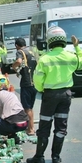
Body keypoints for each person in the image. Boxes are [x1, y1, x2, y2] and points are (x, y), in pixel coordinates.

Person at [27, 27, 82, 163]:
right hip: (66, 95)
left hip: (50, 95)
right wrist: (76, 46)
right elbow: (80, 63)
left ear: (50, 41)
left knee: (45, 126)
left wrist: (42, 90)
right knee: (61, 127)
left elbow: (38, 79)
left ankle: (39, 157)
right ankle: (56, 157)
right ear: (63, 40)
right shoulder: (71, 57)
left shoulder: (45, 59)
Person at [0, 74, 28, 144]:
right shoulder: (12, 94)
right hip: (24, 123)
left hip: (14, 124)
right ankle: (13, 135)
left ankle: (11, 135)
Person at [12, 38, 37, 136]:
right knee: (30, 107)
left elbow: (18, 61)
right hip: (34, 83)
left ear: (16, 45)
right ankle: (30, 127)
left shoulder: (20, 52)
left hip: (26, 84)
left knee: (27, 108)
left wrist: (14, 67)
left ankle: (31, 129)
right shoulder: (31, 52)